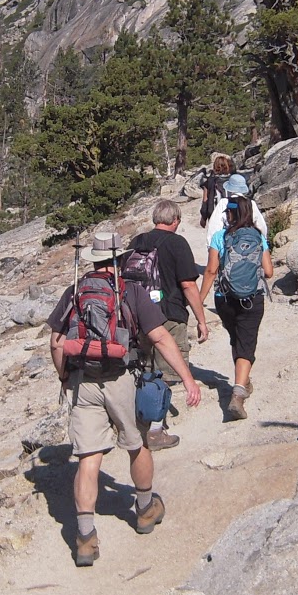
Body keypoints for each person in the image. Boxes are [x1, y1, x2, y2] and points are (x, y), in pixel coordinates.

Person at [48, 232, 202, 567]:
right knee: (137, 444)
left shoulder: (75, 290)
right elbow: (159, 337)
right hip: (122, 378)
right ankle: (145, 509)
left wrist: (64, 378)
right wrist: (188, 379)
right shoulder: (129, 291)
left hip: (83, 382)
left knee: (88, 458)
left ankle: (86, 537)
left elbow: (57, 342)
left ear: (91, 259)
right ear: (118, 259)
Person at [127, 199, 210, 450]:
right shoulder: (177, 243)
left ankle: (137, 419)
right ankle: (155, 430)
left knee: (144, 368)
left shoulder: (137, 241)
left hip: (138, 315)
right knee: (165, 373)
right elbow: (188, 285)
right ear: (175, 221)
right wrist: (201, 320)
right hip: (169, 315)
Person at [198, 196, 274, 420]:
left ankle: (243, 382)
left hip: (225, 298)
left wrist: (200, 300)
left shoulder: (220, 237)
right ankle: (239, 392)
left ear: (230, 214)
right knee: (247, 340)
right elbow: (269, 272)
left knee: (237, 339)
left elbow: (211, 270)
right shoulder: (258, 237)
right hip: (252, 298)